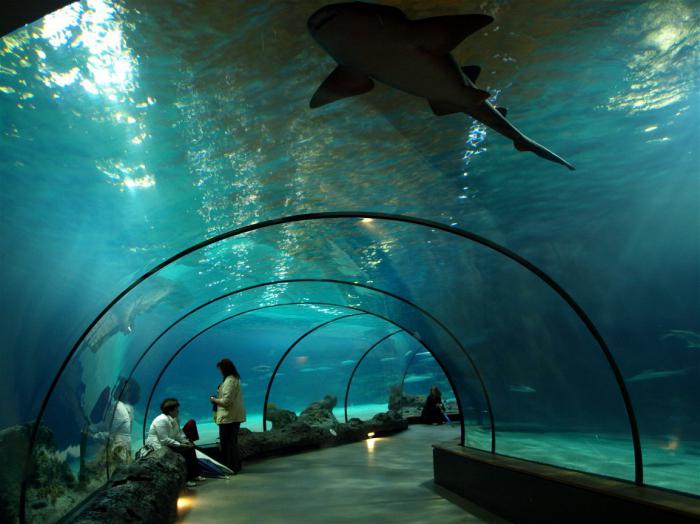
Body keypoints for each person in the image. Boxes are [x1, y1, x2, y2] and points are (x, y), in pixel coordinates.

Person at [146, 398, 204, 486]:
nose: (178, 411)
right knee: (183, 452)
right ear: (170, 411)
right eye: (176, 409)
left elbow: (178, 434)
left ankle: (194, 475)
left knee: (190, 449)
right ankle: (185, 480)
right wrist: (181, 445)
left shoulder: (175, 419)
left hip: (169, 443)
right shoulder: (161, 420)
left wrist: (186, 442)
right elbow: (164, 440)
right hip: (160, 446)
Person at [209, 358, 246, 474]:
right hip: (233, 416)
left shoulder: (230, 381)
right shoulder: (236, 379)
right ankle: (236, 466)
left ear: (225, 368)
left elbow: (226, 401)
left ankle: (230, 467)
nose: (220, 371)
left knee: (227, 444)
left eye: (220, 369)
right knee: (232, 443)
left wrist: (214, 399)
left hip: (228, 418)